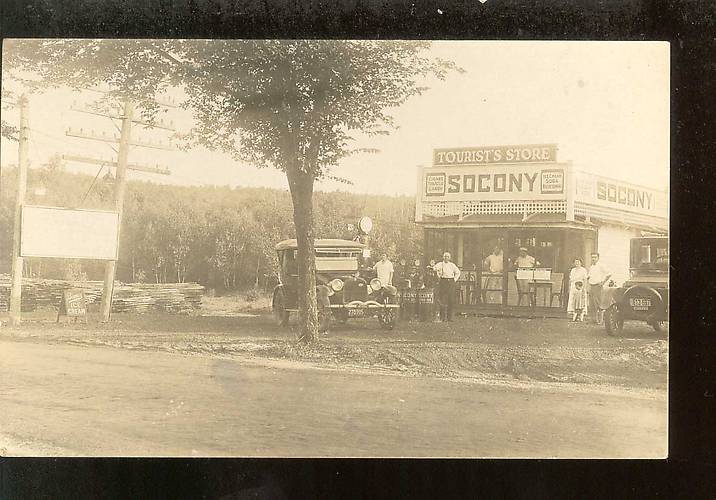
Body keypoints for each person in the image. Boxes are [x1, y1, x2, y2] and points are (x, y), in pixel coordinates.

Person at [433, 252, 461, 321]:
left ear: (450, 258)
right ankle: (442, 317)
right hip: (443, 282)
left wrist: (454, 280)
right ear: (443, 257)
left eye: (448, 256)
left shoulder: (452, 265)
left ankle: (449, 317)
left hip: (451, 282)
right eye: (445, 256)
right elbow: (434, 269)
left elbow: (458, 272)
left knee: (451, 299)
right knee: (442, 299)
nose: (446, 258)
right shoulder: (440, 264)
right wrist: (438, 275)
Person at [587, 252, 612, 324]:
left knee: (598, 303)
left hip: (598, 286)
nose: (593, 259)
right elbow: (589, 277)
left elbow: (609, 274)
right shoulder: (591, 267)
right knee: (592, 304)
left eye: (595, 257)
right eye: (592, 257)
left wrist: (603, 282)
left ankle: (600, 320)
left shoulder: (601, 266)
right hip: (592, 286)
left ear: (598, 258)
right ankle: (593, 319)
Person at [567, 257, 588, 321]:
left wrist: (584, 288)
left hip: (580, 286)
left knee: (580, 301)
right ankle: (573, 314)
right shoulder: (573, 270)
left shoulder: (583, 270)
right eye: (575, 262)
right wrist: (569, 287)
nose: (577, 263)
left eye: (578, 262)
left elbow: (585, 279)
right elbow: (570, 279)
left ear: (581, 263)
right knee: (573, 300)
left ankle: (580, 315)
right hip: (573, 286)